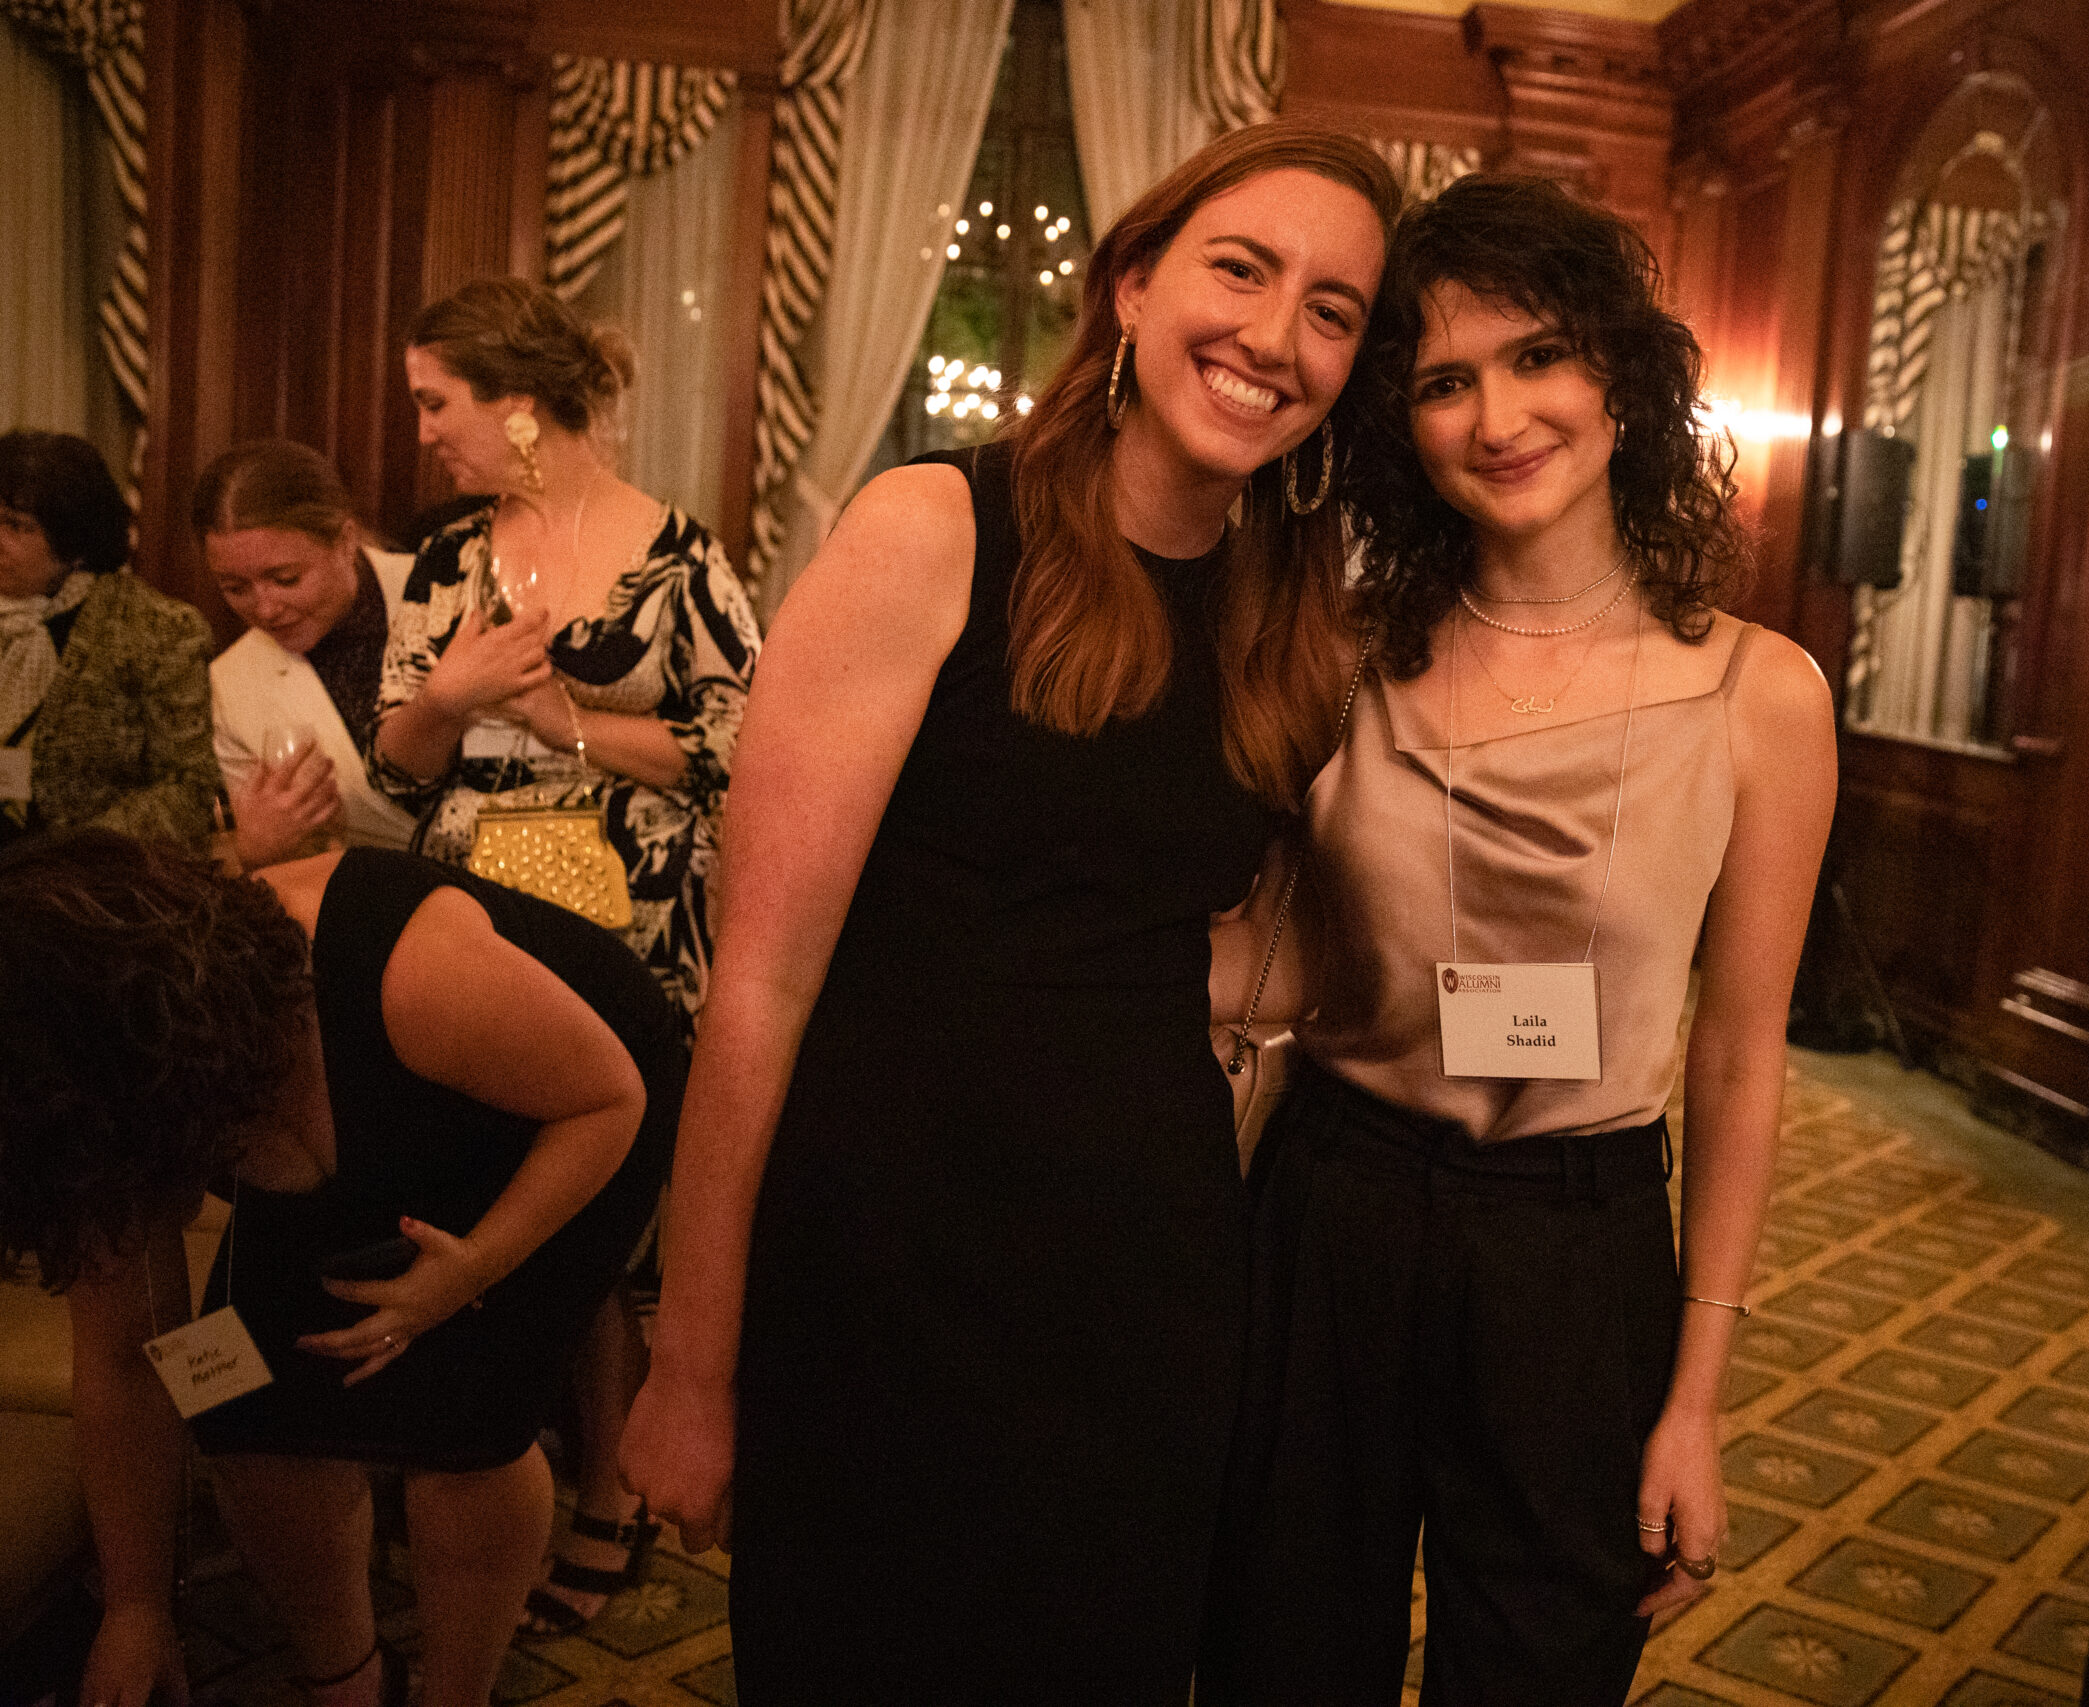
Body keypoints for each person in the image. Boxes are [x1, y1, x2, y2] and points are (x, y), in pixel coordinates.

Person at [617, 123, 1399, 1702]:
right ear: (1131, 283)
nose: (1273, 335)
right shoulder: (937, 528)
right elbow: (756, 982)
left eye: (1334, 308)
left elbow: (1261, 947)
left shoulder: (1284, 613)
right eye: (1239, 269)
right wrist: (693, 1360)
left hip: (1148, 1275)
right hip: (887, 1259)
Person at [1196, 175, 1838, 1707]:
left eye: (1538, 356)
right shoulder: (1341, 659)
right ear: (1399, 427)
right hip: (1332, 1211)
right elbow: (1248, 951)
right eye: (1442, 380)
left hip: (1575, 1243)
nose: (1499, 416)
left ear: (1617, 378)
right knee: (1278, 1661)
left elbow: (1745, 1059)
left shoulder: (1763, 696)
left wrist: (1696, 1399)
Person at [0, 832, 686, 1707]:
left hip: (573, 1109)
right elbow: (128, 1360)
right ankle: (352, 1682)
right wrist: (136, 1606)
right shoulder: (94, 1099)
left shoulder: (400, 966)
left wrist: (469, 1268)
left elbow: (608, 1097)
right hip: (375, 1119)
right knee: (247, 1413)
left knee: (464, 1425)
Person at [372, 276, 760, 1635]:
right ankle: (485, 1468)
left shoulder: (685, 560)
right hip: (469, 940)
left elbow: (742, 753)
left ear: (520, 411)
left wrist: (564, 725)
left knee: (604, 1236)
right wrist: (446, 700)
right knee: (483, 1201)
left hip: (633, 934)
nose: (423, 429)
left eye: (438, 401)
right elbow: (396, 763)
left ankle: (607, 1491)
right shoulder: (441, 561)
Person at [197, 439, 417, 868]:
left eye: (285, 578)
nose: (264, 609)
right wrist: (260, 849)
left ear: (345, 540)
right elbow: (286, 869)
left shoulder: (443, 587)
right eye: (235, 588)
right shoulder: (233, 684)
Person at [0, 429, 220, 849]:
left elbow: (188, 790)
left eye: (14, 525)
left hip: (91, 885)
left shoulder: (157, 630)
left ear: (73, 541)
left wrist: (75, 850)